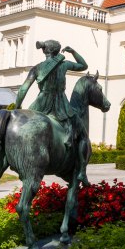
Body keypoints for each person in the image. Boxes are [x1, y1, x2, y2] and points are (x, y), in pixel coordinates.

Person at [15, 40, 90, 184]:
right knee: (82, 134)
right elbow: (84, 65)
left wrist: (17, 108)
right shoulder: (64, 64)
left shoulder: (37, 68)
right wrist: (73, 52)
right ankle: (81, 172)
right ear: (56, 51)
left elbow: (23, 89)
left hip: (40, 104)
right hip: (60, 104)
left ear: (45, 51)